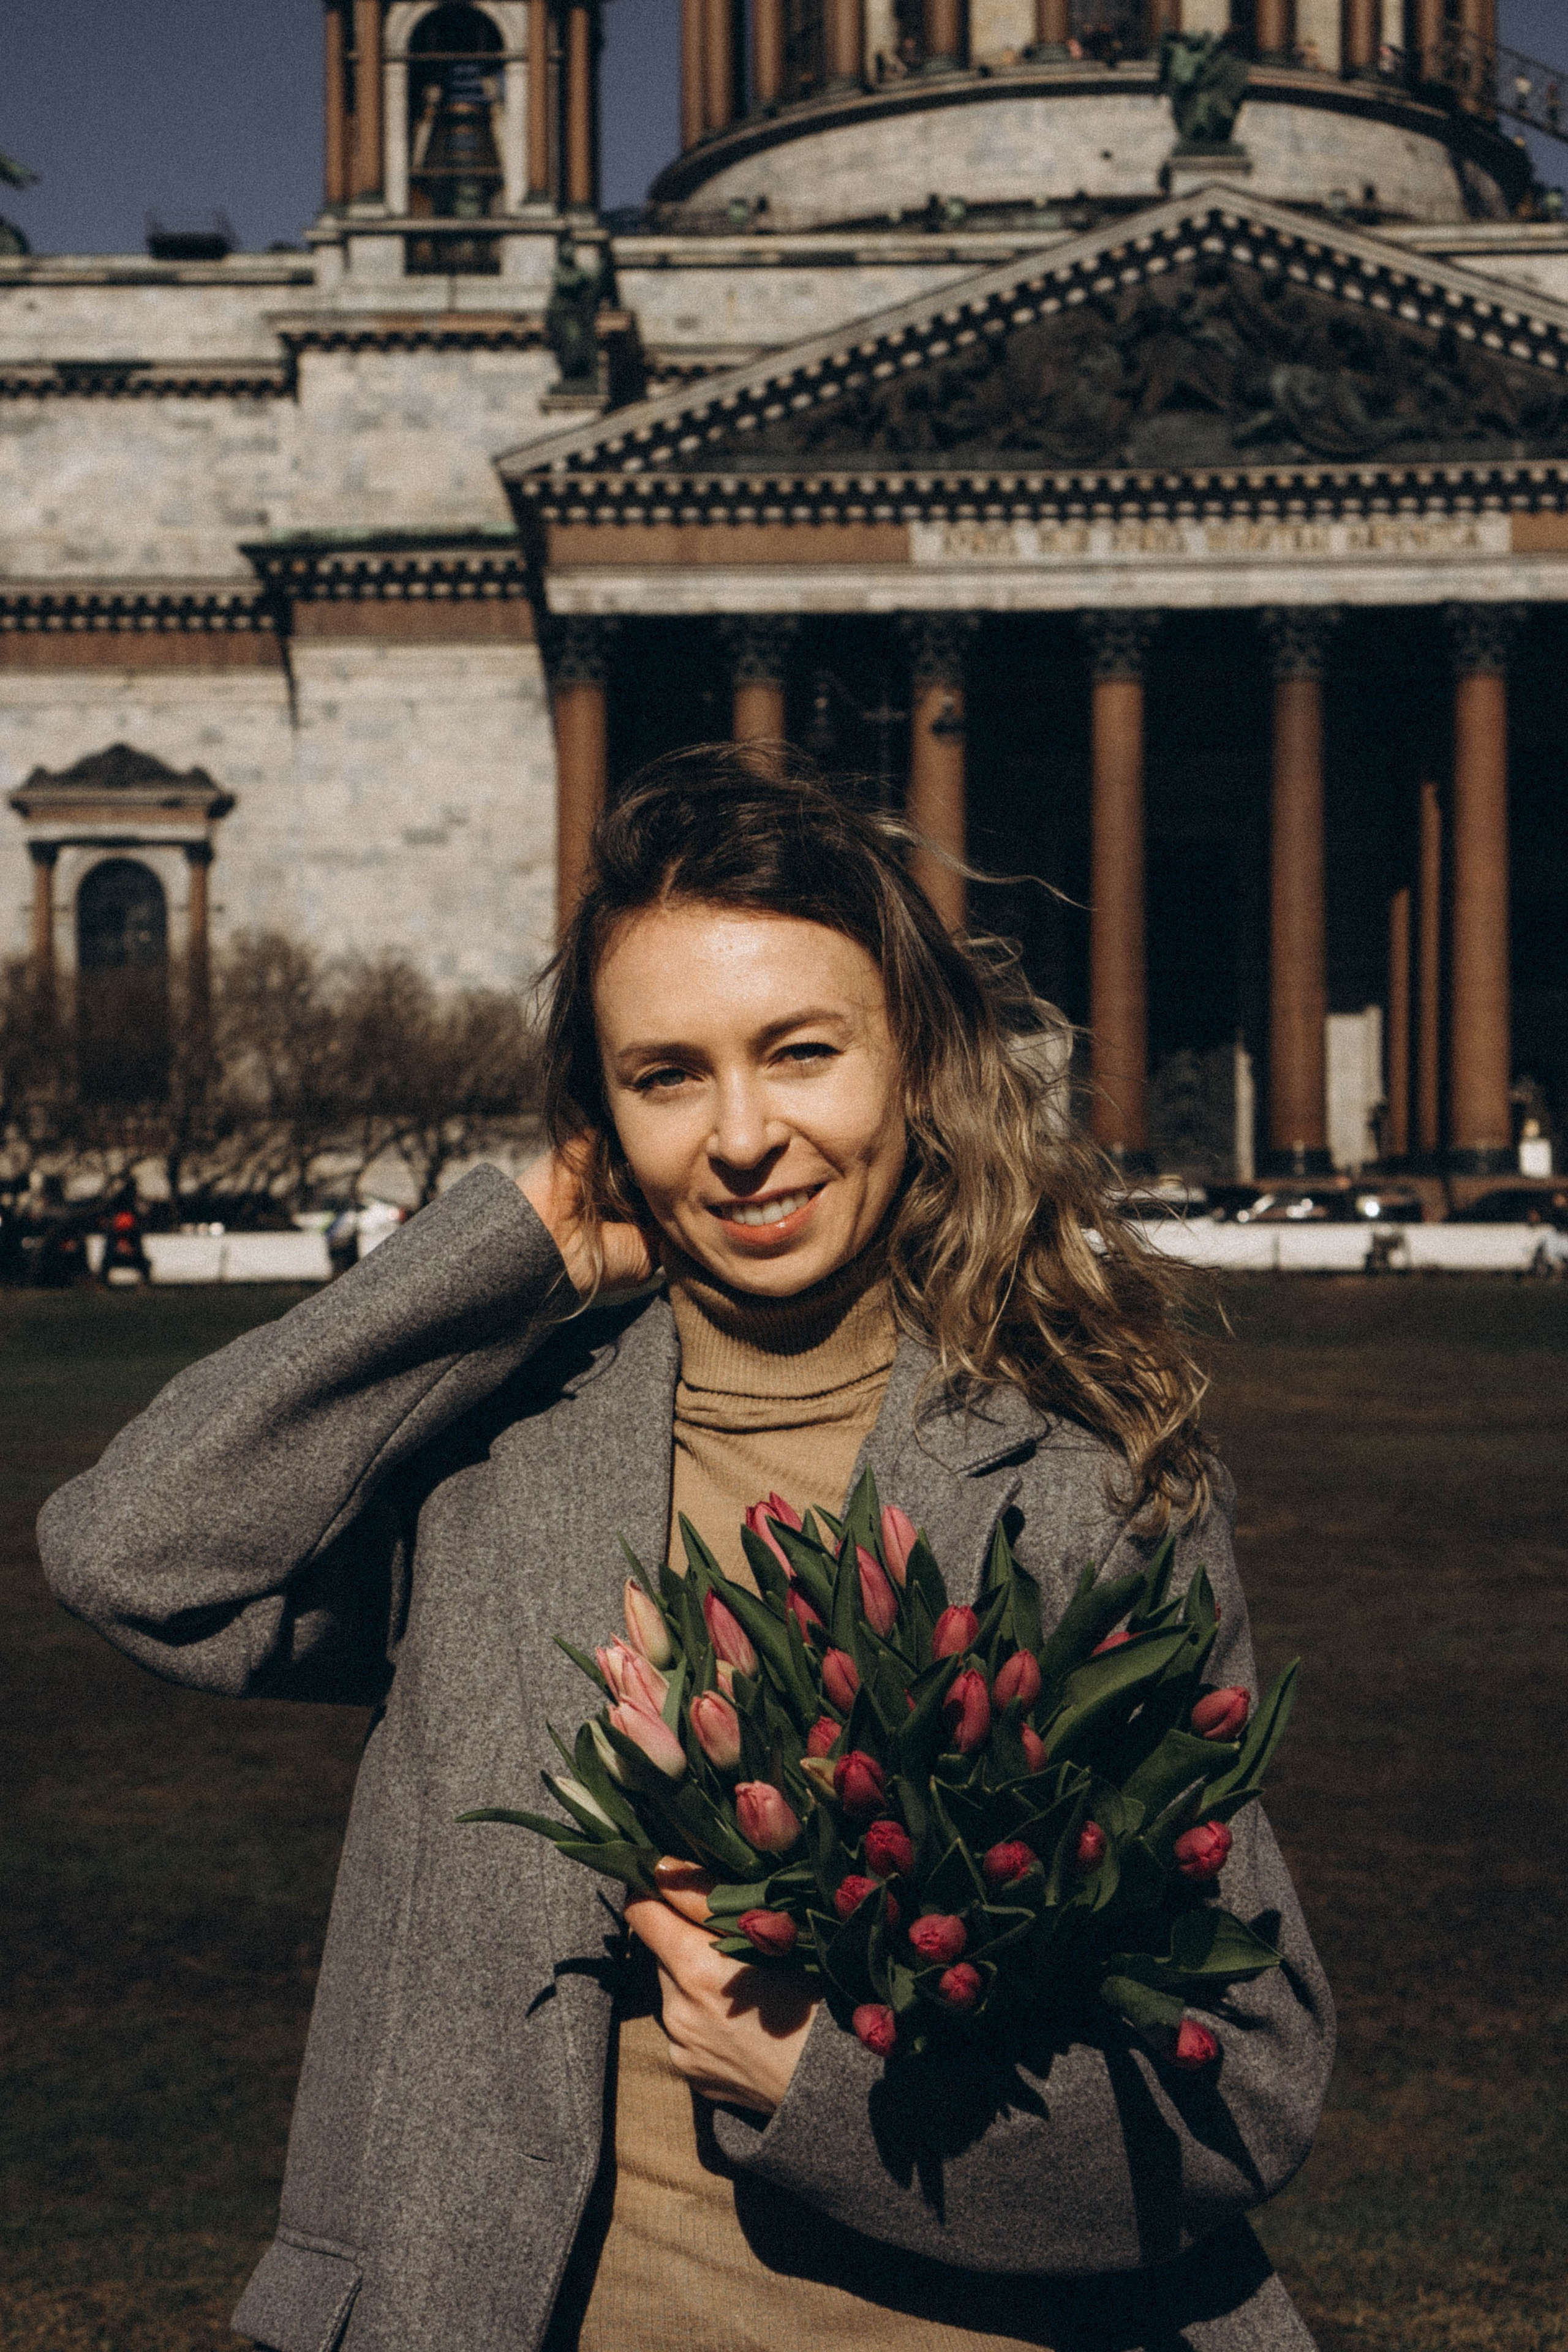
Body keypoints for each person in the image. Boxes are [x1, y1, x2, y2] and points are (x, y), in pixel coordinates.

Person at [39, 748, 1333, 2352]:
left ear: (916, 1067)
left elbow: (1243, 2082)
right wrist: (499, 1246)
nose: (741, 1135)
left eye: (801, 1052)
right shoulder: (490, 1477)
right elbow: (136, 1546)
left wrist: (827, 2088)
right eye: (666, 1075)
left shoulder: (1091, 1488)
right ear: (603, 1111)